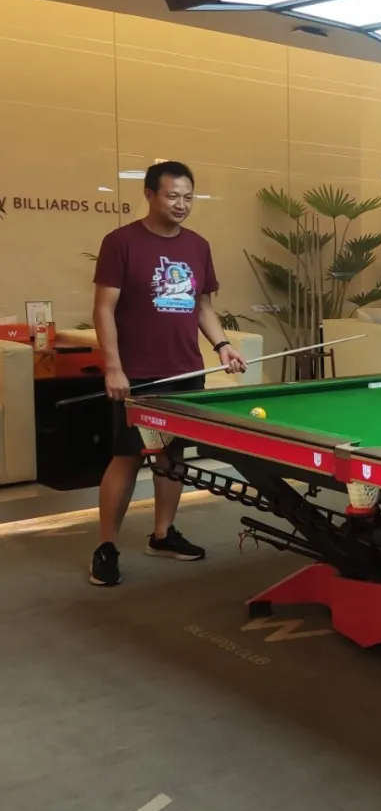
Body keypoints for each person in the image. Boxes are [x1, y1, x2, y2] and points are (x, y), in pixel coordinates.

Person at [89, 161, 247, 587]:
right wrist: (114, 367)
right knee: (127, 456)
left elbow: (202, 306)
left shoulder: (197, 246)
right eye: (173, 195)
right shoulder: (121, 242)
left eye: (188, 197)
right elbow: (103, 309)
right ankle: (106, 546)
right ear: (150, 195)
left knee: (172, 455)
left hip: (185, 370)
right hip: (137, 374)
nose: (181, 204)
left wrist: (222, 344)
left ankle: (162, 534)